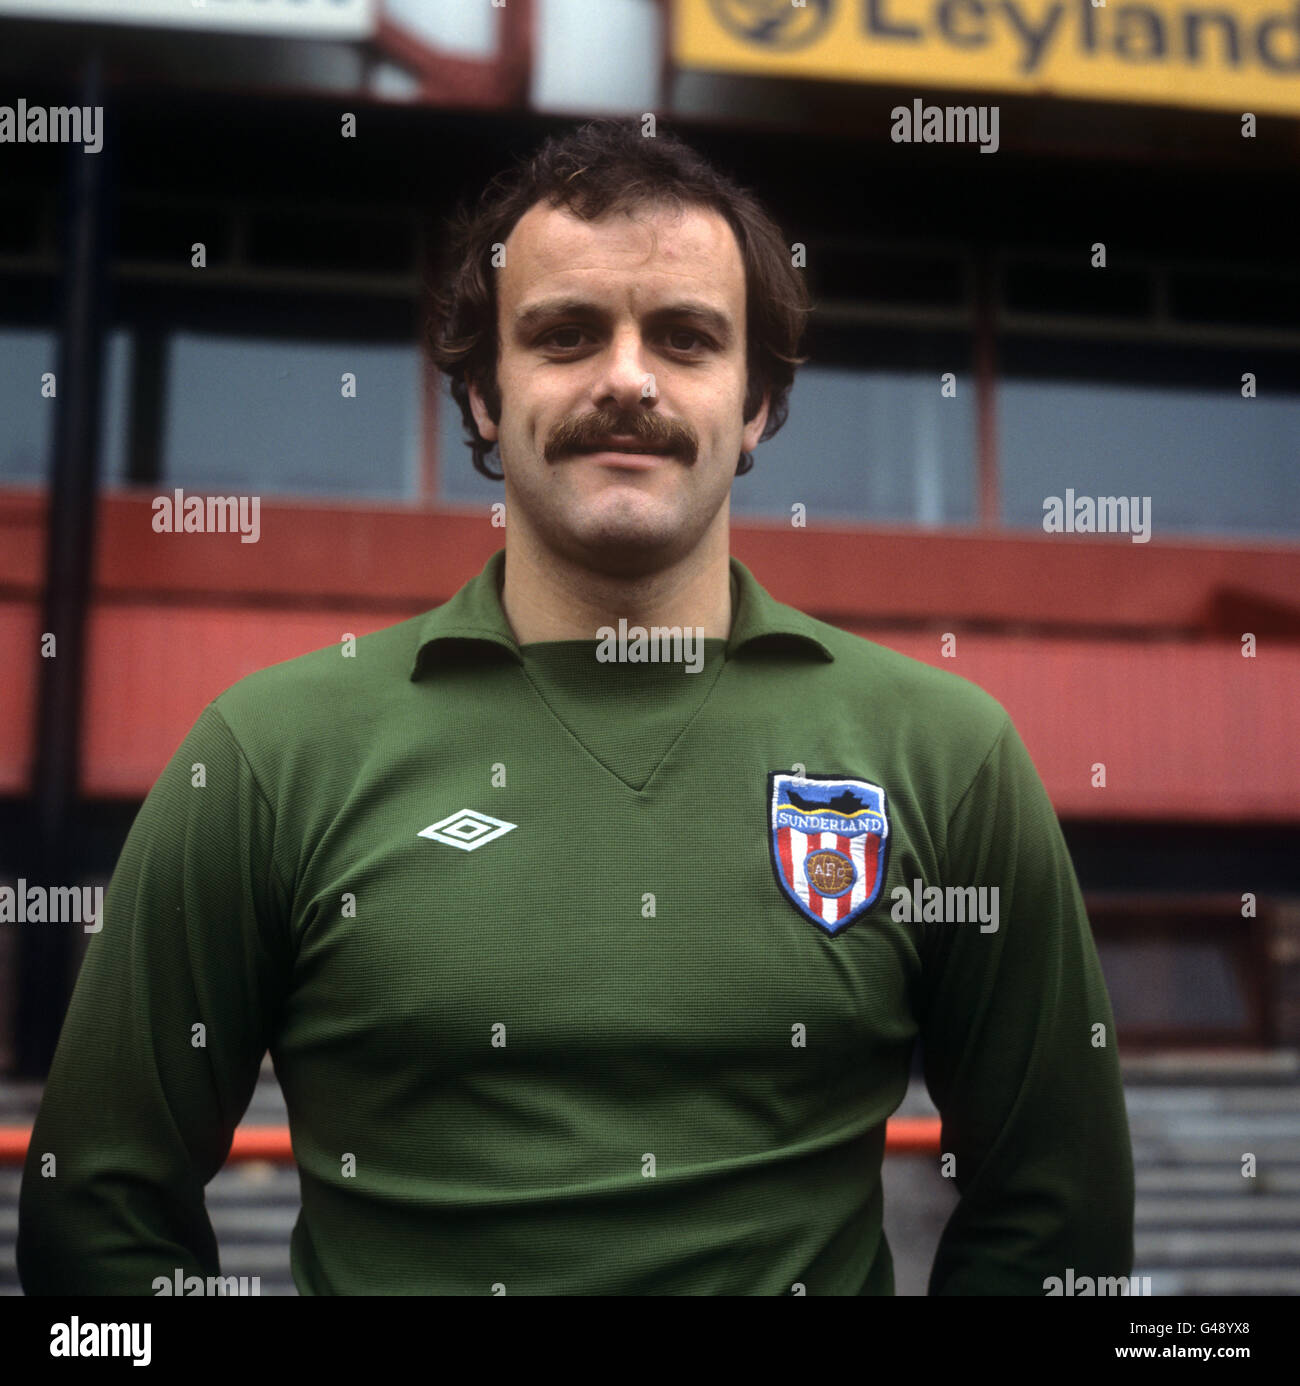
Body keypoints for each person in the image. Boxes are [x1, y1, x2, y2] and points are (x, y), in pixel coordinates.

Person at [19, 117, 1133, 1295]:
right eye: (564, 334)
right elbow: (96, 1210)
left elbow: (1056, 1214)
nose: (626, 379)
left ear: (755, 405)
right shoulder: (267, 755)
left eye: (686, 338)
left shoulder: (943, 755)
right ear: (484, 398)